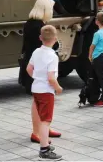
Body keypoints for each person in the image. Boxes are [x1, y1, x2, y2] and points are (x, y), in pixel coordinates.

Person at [19, 0, 62, 143]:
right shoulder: (38, 26)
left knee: (39, 101)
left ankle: (43, 127)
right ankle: (37, 131)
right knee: (38, 101)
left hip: (33, 67)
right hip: (39, 69)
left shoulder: (30, 23)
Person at [26, 25, 63, 161]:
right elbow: (51, 78)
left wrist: (37, 78)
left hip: (36, 88)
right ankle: (44, 150)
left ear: (40, 38)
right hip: (46, 91)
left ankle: (45, 144)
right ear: (55, 38)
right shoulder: (52, 56)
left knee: (41, 118)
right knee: (45, 121)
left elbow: (29, 69)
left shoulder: (36, 52)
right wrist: (58, 88)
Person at [88, 12, 103, 107]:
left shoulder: (97, 33)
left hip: (98, 57)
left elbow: (92, 46)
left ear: (97, 21)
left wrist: (90, 56)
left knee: (102, 78)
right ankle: (100, 97)